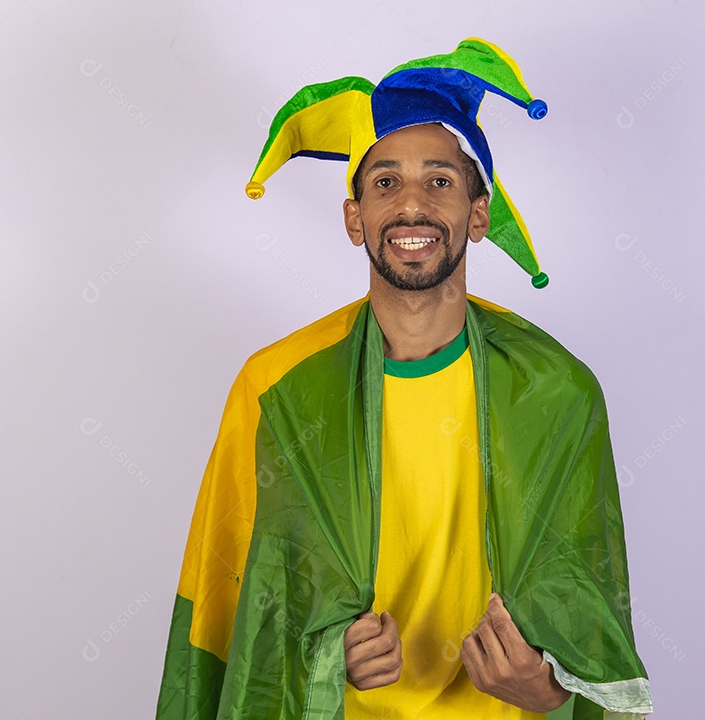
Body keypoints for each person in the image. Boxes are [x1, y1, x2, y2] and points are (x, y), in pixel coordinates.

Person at [156, 38, 653, 720]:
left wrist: (542, 689)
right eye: (385, 181)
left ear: (479, 215)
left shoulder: (557, 392)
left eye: (440, 181)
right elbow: (228, 612)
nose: (412, 205)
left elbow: (590, 628)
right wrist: (328, 658)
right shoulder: (277, 390)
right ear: (355, 218)